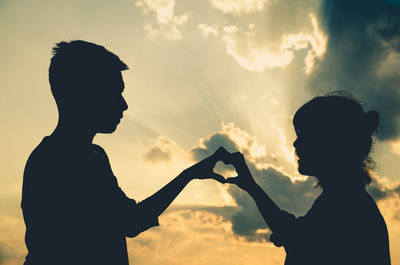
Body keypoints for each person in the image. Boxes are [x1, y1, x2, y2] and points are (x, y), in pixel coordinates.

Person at [21, 40, 230, 265]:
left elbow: (130, 220)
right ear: (84, 93)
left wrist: (189, 174)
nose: (124, 105)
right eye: (114, 92)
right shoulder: (61, 161)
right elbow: (132, 222)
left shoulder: (92, 156)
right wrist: (188, 175)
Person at [225, 94, 391, 265]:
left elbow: (295, 239)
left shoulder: (343, 203)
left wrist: (251, 186)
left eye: (305, 134)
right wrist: (250, 185)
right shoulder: (346, 200)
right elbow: (295, 236)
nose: (296, 144)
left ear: (330, 141)